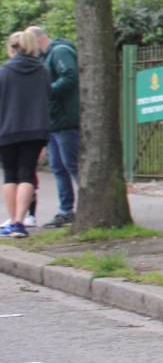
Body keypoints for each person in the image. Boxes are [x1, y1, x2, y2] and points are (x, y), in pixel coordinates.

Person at [0, 29, 52, 238]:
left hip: (7, 130)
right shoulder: (43, 71)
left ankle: (11, 221)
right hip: (35, 130)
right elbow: (48, 98)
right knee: (27, 174)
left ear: (12, 48)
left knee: (10, 175)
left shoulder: (4, 72)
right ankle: (20, 222)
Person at [29, 26, 80, 227]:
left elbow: (70, 76)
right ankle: (65, 210)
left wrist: (47, 91)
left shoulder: (60, 52)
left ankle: (88, 204)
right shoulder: (44, 58)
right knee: (58, 167)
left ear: (38, 39)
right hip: (53, 121)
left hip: (65, 119)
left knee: (71, 164)